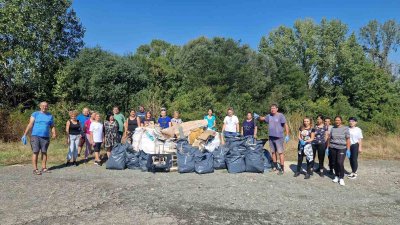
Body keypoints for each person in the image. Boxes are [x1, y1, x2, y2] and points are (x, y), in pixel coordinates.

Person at [22, 102, 56, 175]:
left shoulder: (50, 115)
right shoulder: (35, 114)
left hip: (46, 136)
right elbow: (30, 124)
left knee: (44, 152)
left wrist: (54, 133)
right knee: (36, 152)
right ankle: (35, 169)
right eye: (43, 106)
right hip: (35, 136)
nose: (44, 107)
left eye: (46, 106)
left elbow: (52, 126)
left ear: (47, 107)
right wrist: (25, 134)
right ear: (40, 106)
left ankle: (44, 168)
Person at [259, 104, 290, 175]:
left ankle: (282, 169)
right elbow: (262, 118)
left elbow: (285, 124)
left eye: (273, 108)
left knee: (280, 153)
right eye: (271, 108)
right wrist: (258, 117)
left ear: (277, 109)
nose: (272, 109)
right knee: (273, 152)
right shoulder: (269, 116)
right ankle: (275, 167)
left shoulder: (280, 115)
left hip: (279, 137)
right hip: (271, 137)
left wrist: (287, 134)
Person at [327, 116, 351, 186]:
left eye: (338, 120)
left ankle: (341, 178)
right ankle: (337, 176)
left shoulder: (345, 128)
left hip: (342, 148)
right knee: (334, 163)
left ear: (341, 121)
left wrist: (348, 149)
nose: (337, 121)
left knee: (340, 163)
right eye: (336, 120)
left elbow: (348, 139)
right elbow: (329, 138)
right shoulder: (333, 128)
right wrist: (327, 148)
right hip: (332, 147)